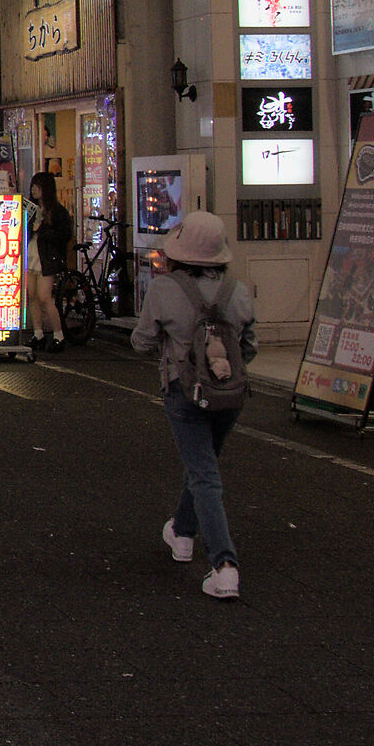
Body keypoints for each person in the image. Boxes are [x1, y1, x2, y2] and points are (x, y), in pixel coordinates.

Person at [132, 210, 255, 599]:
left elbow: (141, 341)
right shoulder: (238, 291)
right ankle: (182, 534)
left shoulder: (165, 289)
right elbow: (249, 346)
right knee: (203, 465)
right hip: (229, 394)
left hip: (183, 392)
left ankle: (224, 566)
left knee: (204, 475)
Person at [28, 170, 73, 351]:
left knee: (45, 297)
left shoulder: (57, 211)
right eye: (33, 186)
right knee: (32, 297)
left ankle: (58, 335)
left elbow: (64, 236)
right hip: (31, 256)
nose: (33, 190)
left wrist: (42, 229)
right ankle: (38, 333)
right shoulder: (30, 209)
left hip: (46, 259)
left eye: (37, 186)